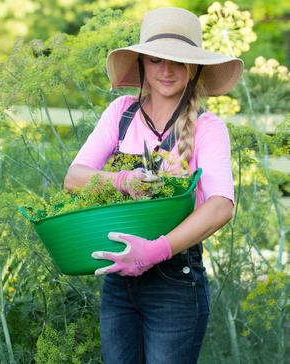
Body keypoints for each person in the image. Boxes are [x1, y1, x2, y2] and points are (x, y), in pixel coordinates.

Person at [64, 7, 243, 364]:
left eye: (179, 61)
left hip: (175, 282)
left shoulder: (208, 127)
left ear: (194, 67)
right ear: (143, 62)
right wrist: (123, 180)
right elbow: (74, 178)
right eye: (157, 59)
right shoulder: (121, 113)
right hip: (117, 279)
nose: (167, 70)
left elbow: (222, 204)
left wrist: (155, 250)